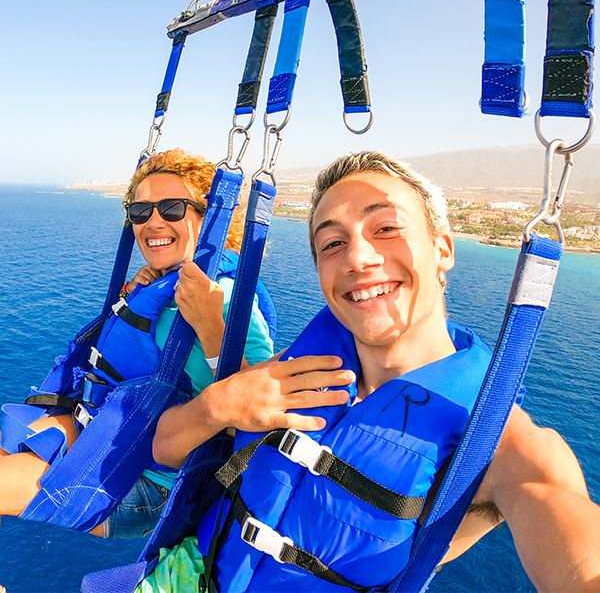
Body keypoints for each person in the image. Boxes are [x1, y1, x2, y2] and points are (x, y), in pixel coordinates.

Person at [137, 151, 600, 593]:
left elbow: (570, 534)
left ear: (442, 250)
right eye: (333, 243)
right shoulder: (293, 372)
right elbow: (163, 448)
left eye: (386, 228)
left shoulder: (500, 443)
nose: (358, 259)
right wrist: (218, 404)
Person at [0, 149, 274, 540]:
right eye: (140, 211)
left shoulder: (223, 295)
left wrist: (212, 325)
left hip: (146, 478)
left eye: (172, 208)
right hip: (102, 428)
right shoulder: (156, 283)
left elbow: (262, 404)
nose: (153, 221)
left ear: (208, 218)